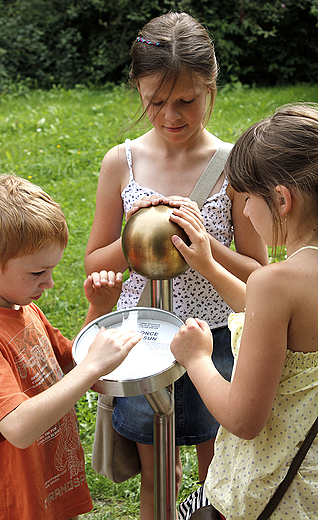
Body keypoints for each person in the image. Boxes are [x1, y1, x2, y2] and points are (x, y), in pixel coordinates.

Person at [84, 11, 268, 518]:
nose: (171, 115)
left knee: (219, 483)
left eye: (186, 100)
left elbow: (258, 272)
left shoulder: (235, 166)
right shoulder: (121, 162)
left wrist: (207, 248)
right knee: (159, 481)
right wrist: (132, 238)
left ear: (210, 87)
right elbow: (95, 260)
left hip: (218, 339)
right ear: (137, 93)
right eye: (155, 102)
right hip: (145, 341)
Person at [170, 103, 318, 519]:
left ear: (281, 200)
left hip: (270, 487)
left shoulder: (276, 283)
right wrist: (209, 266)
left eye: (247, 199)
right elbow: (275, 321)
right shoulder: (292, 285)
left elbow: (243, 418)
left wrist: (196, 358)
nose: (246, 213)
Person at [0, 174, 141, 520]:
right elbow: (17, 428)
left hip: (51, 483)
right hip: (19, 504)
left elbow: (70, 367)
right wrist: (94, 365)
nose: (49, 283)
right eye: (37, 273)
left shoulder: (24, 308)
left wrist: (99, 309)